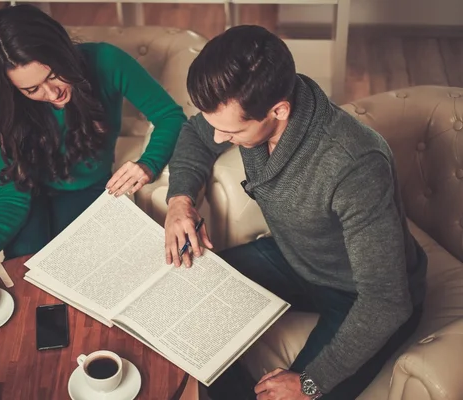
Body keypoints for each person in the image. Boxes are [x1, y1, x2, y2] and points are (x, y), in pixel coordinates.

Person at [164, 25, 427, 400]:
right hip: (296, 258)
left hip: (361, 296)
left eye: (231, 131)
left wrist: (309, 382)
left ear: (279, 110)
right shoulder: (251, 106)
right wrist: (180, 200)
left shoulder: (354, 164)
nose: (219, 139)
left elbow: (387, 301)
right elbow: (195, 134)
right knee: (184, 299)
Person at [0, 5, 186, 288]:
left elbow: (170, 116)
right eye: (31, 90)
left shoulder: (106, 61)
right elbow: (15, 195)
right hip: (25, 192)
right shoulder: (4, 111)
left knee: (83, 279)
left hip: (86, 191)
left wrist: (149, 163)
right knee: (30, 279)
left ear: (60, 51)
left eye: (52, 74)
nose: (52, 93)